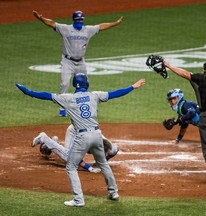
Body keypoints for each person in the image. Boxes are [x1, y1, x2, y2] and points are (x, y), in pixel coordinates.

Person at [16, 73, 145, 206]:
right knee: (103, 164)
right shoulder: (94, 95)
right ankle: (113, 193)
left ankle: (78, 200)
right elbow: (115, 93)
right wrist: (132, 87)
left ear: (74, 85)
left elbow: (45, 95)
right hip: (97, 134)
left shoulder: (67, 98)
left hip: (82, 136)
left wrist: (27, 91)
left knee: (71, 166)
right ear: (86, 84)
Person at [32, 10, 124, 117]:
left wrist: (115, 23)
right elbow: (52, 23)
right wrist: (41, 18)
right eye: (77, 19)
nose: (79, 21)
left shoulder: (88, 30)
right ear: (74, 20)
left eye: (81, 19)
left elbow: (101, 26)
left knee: (85, 83)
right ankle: (62, 108)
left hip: (81, 62)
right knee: (64, 83)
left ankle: (88, 104)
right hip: (67, 61)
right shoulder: (66, 29)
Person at [33, 125, 119, 173]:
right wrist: (89, 168)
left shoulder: (106, 144)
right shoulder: (88, 143)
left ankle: (51, 144)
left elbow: (114, 150)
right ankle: (44, 138)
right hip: (74, 132)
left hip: (86, 129)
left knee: (113, 150)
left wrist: (100, 163)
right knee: (69, 157)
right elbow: (76, 158)